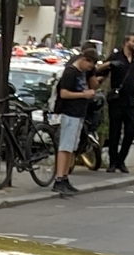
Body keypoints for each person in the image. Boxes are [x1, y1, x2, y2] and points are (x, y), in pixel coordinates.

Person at [50, 49, 101, 196]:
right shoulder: (71, 72)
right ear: (84, 59)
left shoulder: (82, 73)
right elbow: (64, 93)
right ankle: (59, 178)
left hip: (79, 114)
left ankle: (65, 177)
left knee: (71, 148)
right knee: (65, 147)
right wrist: (84, 94)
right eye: (89, 65)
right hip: (70, 113)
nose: (89, 69)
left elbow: (92, 84)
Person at [104, 36, 134, 170]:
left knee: (131, 131)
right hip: (117, 100)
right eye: (133, 41)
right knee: (114, 131)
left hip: (132, 100)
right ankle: (113, 162)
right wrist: (110, 64)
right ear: (126, 42)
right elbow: (100, 69)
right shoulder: (116, 56)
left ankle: (122, 159)